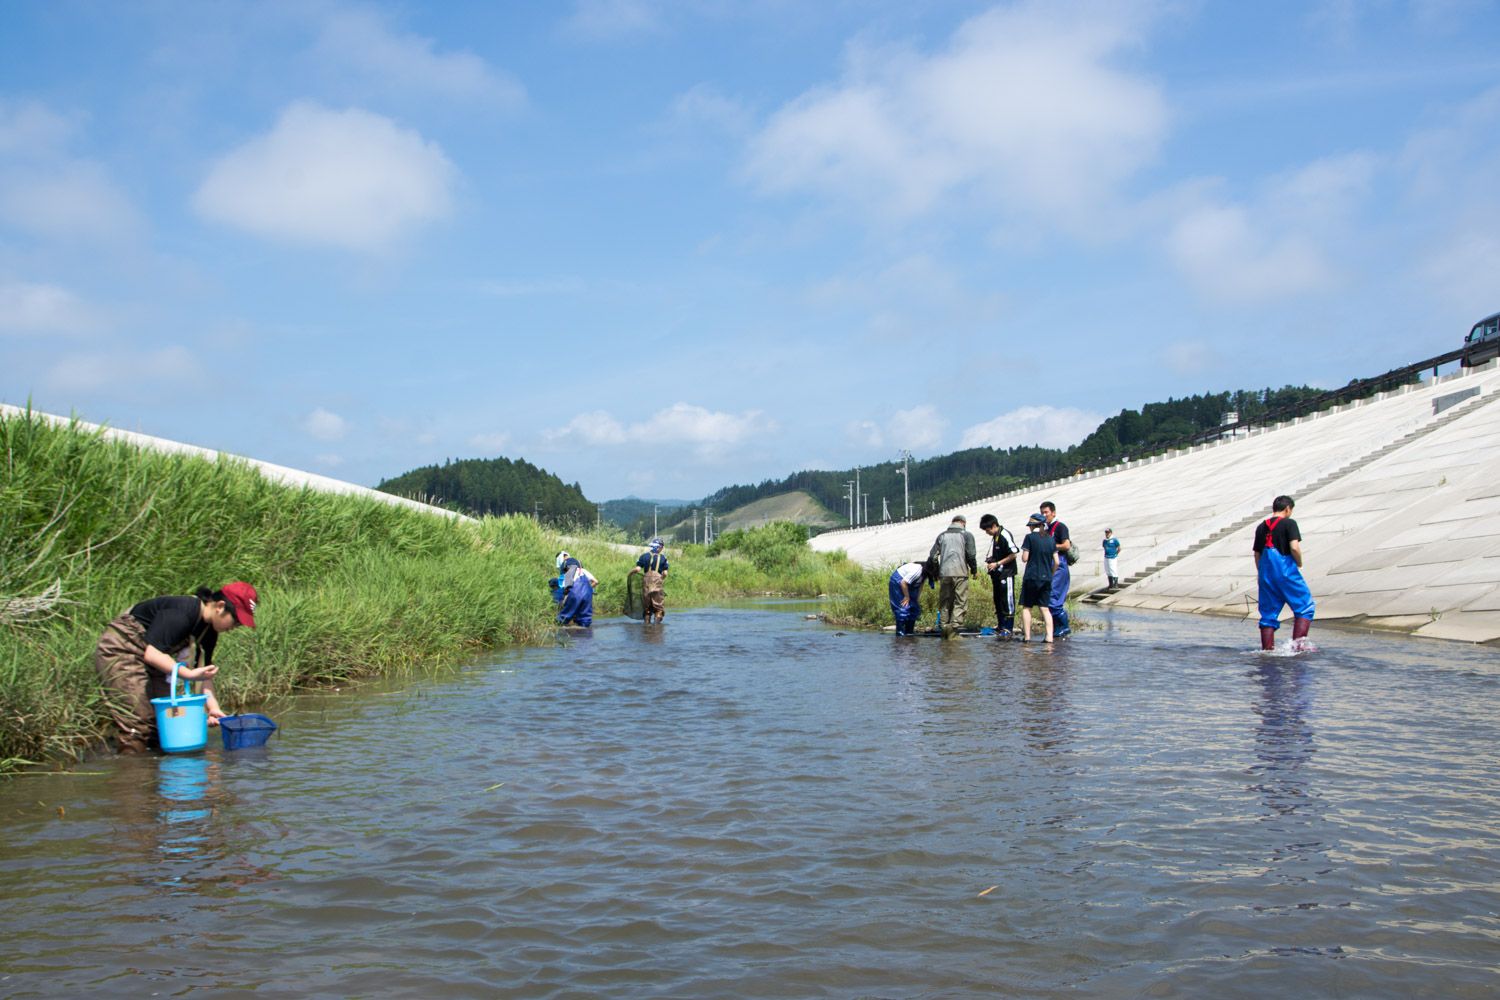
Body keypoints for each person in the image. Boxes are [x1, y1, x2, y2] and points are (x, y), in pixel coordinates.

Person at [93, 583, 258, 753]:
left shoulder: (209, 631)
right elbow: (152, 654)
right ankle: (133, 774)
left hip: (151, 657)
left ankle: (156, 772)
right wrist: (188, 674)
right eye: (236, 620)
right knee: (139, 723)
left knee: (165, 720)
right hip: (122, 649)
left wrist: (213, 708)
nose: (236, 627)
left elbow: (204, 674)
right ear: (220, 606)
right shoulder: (183, 611)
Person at [1253, 494, 1315, 651]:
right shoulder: (1289, 523)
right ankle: (1298, 648)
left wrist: (1263, 574)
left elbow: (1257, 554)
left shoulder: (1261, 527)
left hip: (1265, 574)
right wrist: (1299, 563)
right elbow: (1294, 547)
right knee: (1304, 606)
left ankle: (1267, 651)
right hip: (1285, 571)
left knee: (1268, 614)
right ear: (1287, 509)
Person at [928, 514, 977, 637]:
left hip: (944, 573)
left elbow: (933, 556)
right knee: (960, 601)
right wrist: (974, 570)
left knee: (945, 601)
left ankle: (944, 627)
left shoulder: (942, 535)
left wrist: (937, 570)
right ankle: (954, 629)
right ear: (963, 523)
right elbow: (971, 555)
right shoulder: (967, 535)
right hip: (960, 573)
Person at [979, 513, 1020, 637]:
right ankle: (1001, 625)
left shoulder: (1004, 535)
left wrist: (997, 563)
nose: (987, 533)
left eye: (987, 530)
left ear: (994, 526)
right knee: (998, 600)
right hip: (997, 574)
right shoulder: (995, 537)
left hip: (1006, 573)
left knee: (1007, 601)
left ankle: (1008, 628)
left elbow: (1014, 554)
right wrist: (992, 560)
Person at [1019, 514, 1057, 642]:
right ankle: (1049, 637)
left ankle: (1027, 637)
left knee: (1027, 607)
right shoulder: (1051, 539)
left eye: (1030, 526)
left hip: (1031, 576)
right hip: (1046, 578)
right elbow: (1057, 561)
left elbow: (1025, 558)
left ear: (1033, 526)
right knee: (1045, 608)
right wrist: (1051, 573)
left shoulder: (1029, 538)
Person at [1040, 500, 1072, 637]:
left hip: (1060, 564)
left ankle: (1064, 627)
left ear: (1053, 513)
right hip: (1049, 565)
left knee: (1054, 597)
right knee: (1048, 596)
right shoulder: (1045, 529)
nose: (1044, 515)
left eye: (1046, 512)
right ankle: (1055, 628)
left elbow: (1066, 545)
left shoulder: (1060, 527)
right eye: (1042, 513)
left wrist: (1051, 546)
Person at [629, 537, 670, 625]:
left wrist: (629, 573)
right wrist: (660, 579)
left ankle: (647, 627)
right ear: (660, 547)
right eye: (662, 547)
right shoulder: (663, 558)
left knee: (647, 607)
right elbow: (665, 573)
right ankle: (656, 627)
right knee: (658, 607)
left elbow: (637, 569)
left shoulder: (644, 556)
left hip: (646, 582)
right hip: (657, 582)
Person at [888, 558, 933, 635]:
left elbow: (920, 585)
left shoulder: (925, 573)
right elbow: (903, 583)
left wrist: (917, 599)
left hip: (909, 583)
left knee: (914, 608)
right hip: (898, 581)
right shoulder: (917, 570)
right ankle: (900, 634)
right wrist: (907, 597)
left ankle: (909, 632)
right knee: (903, 607)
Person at [556, 558, 598, 627]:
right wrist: (588, 589)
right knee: (585, 618)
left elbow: (566, 588)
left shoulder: (569, 572)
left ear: (566, 567)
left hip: (575, 592)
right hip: (588, 593)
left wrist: (563, 601)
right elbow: (596, 582)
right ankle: (584, 630)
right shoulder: (583, 570)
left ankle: (559, 626)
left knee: (565, 616)